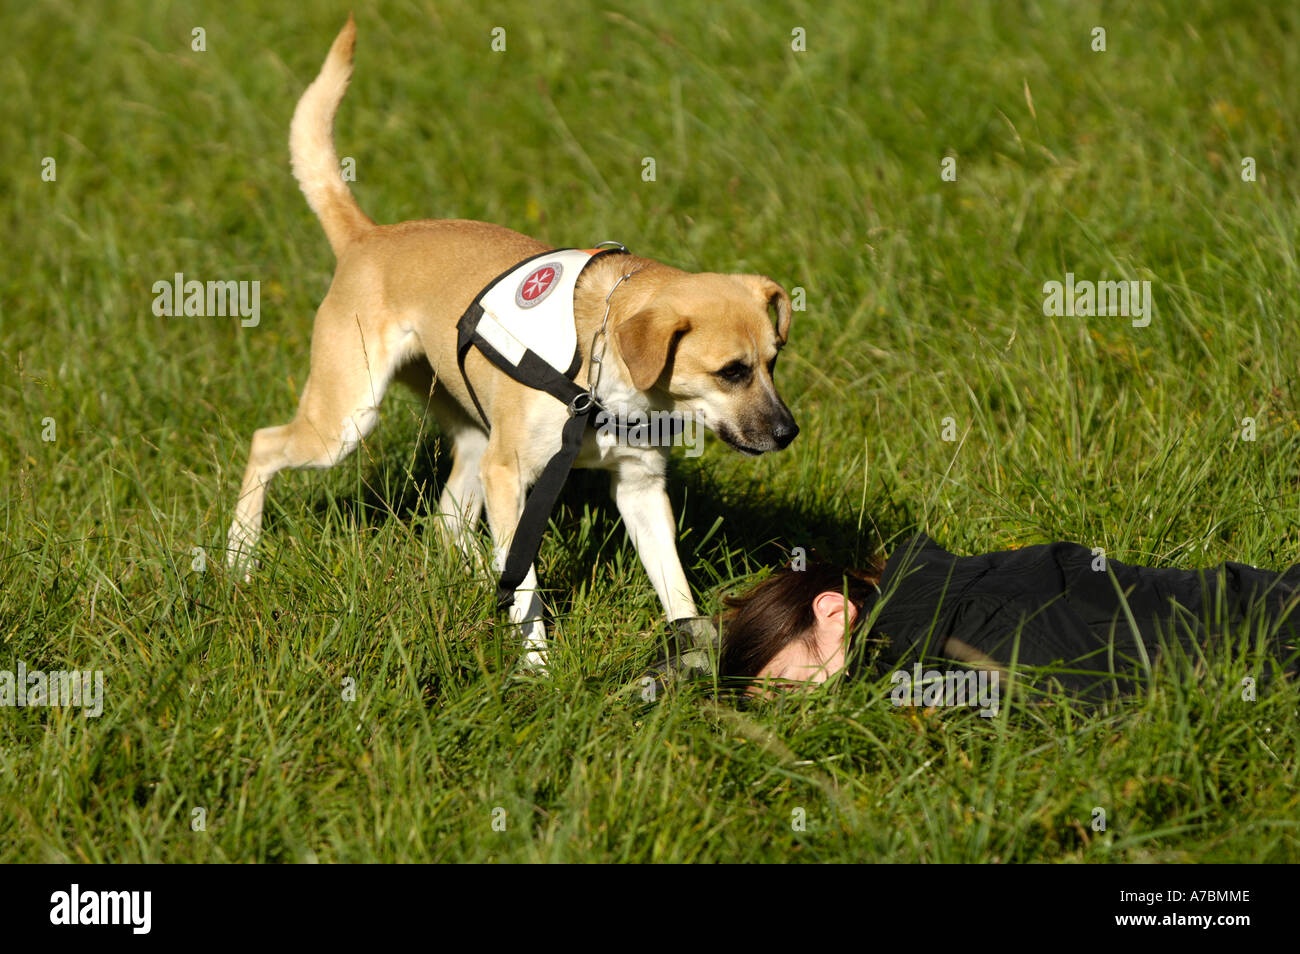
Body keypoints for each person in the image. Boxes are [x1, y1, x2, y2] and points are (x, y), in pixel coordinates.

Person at [716, 533, 1300, 701]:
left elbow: (1116, 694)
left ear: (834, 611)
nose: (808, 710)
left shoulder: (953, 628)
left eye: (792, 686)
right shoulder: (929, 606)